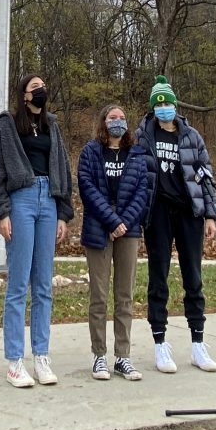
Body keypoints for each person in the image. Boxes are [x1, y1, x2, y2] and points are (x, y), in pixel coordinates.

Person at [0, 73, 74, 388]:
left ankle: (41, 356)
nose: (41, 91)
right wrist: (0, 212)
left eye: (43, 86)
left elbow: (62, 167)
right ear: (23, 95)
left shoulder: (52, 125)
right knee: (18, 284)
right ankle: (14, 361)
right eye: (34, 88)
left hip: (48, 200)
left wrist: (63, 212)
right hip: (20, 201)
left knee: (44, 285)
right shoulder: (8, 125)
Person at [136, 75, 216, 375]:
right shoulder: (143, 136)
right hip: (157, 213)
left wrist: (210, 214)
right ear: (152, 108)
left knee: (193, 277)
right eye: (158, 104)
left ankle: (198, 344)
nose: (164, 108)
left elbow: (206, 175)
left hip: (189, 213)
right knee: (158, 277)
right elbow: (135, 177)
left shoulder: (191, 137)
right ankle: (160, 344)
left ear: (175, 105)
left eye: (167, 103)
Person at [77, 104, 153, 381]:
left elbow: (141, 193)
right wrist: (111, 221)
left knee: (125, 297)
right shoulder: (90, 152)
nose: (117, 121)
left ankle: (123, 357)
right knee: (98, 296)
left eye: (122, 118)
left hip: (128, 232)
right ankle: (99, 356)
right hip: (99, 230)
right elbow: (87, 188)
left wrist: (122, 224)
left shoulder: (136, 154)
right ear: (103, 122)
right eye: (112, 117)